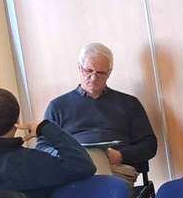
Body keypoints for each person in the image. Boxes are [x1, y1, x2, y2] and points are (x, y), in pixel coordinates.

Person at [44, 42, 158, 184]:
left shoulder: (129, 103)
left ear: (109, 73)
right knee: (89, 162)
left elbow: (149, 145)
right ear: (79, 68)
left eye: (100, 73)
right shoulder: (57, 107)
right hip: (74, 170)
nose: (93, 77)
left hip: (117, 169)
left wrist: (121, 155)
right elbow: (43, 147)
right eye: (88, 70)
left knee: (94, 177)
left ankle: (95, 189)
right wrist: (71, 156)